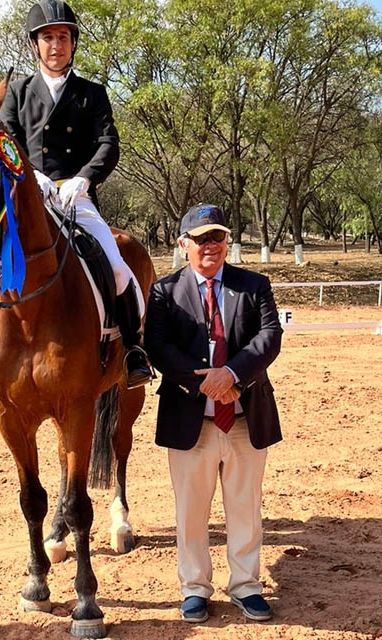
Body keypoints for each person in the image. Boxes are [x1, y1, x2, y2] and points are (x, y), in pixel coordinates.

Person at [0, 0, 152, 391]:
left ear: (72, 44)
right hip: (28, 195)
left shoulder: (93, 94)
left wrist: (85, 179)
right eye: (47, 38)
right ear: (35, 45)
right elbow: (2, 141)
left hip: (77, 197)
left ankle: (133, 350)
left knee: (118, 267)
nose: (55, 45)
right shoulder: (19, 92)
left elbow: (108, 142)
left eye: (62, 37)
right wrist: (27, 175)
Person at [144, 203, 284, 623]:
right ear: (184, 243)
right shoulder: (164, 292)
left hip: (245, 418)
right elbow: (158, 347)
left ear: (228, 242)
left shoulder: (255, 285)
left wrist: (232, 376)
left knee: (245, 508)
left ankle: (245, 585)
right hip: (191, 421)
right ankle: (194, 588)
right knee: (190, 512)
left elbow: (270, 337)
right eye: (202, 239)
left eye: (218, 237)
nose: (211, 246)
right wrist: (202, 381)